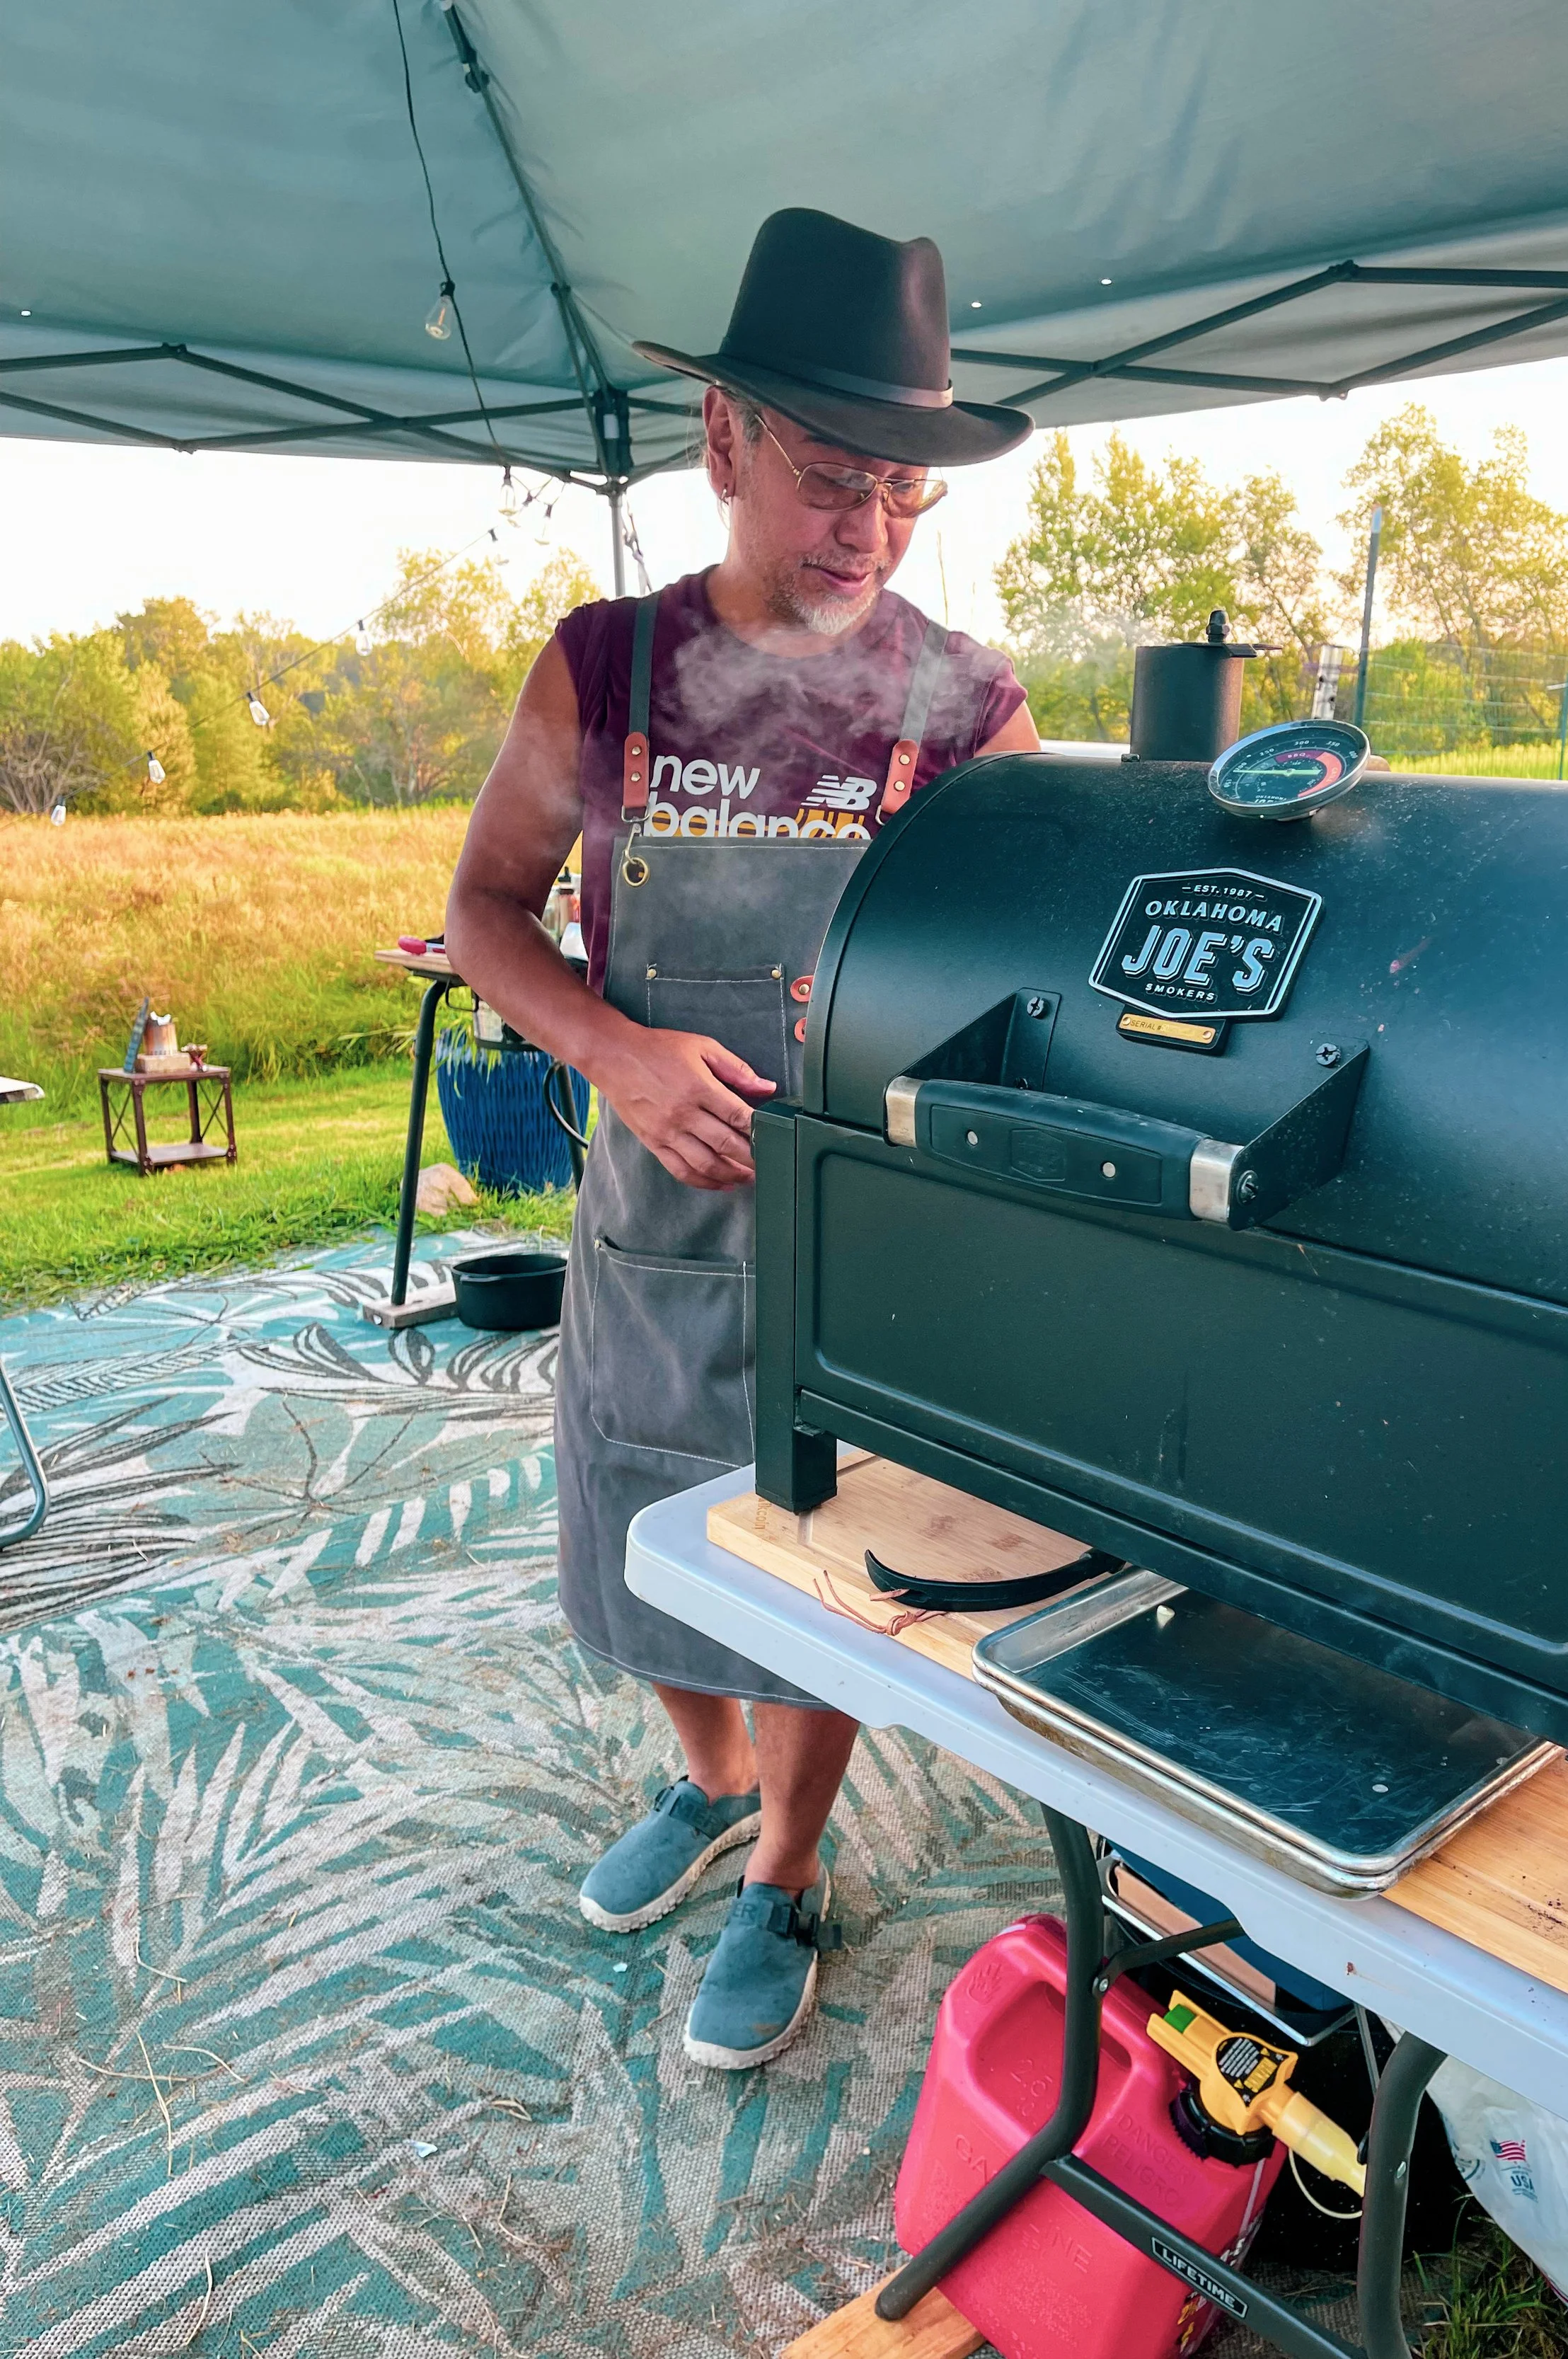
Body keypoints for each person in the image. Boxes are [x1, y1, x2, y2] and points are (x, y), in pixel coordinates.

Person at [446, 208, 1036, 2070]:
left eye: (901, 491)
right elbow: (484, 914)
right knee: (639, 1545)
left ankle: (784, 1861)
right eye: (830, 475)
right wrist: (613, 1046)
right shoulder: (603, 671)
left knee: (815, 1569)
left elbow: (1014, 973)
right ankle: (699, 1783)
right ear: (721, 440)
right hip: (644, 1219)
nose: (865, 523)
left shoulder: (963, 708)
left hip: (850, 1237)